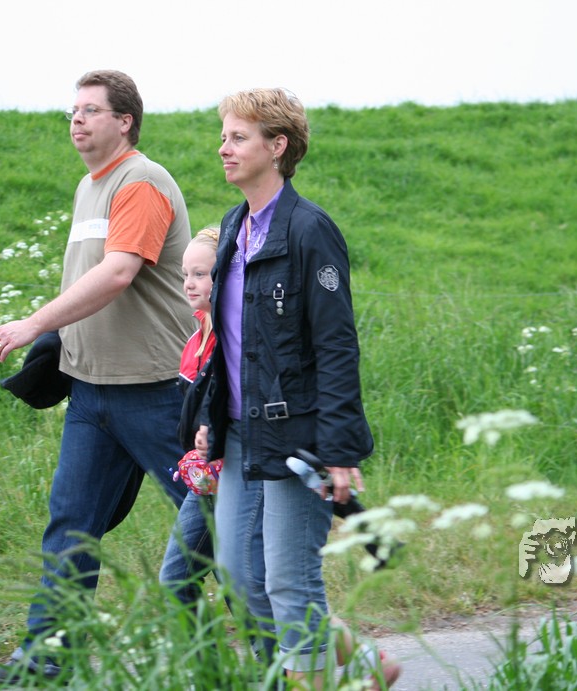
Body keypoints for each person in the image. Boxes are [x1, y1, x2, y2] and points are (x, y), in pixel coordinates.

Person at [0, 69, 203, 684]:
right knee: (71, 528)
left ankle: (282, 648)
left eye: (91, 110)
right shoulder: (89, 187)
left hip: (156, 392)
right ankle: (47, 661)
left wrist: (31, 325)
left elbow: (118, 273)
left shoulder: (141, 182)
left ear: (124, 121)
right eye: (72, 111)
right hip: (91, 394)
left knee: (215, 521)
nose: (76, 120)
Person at [207, 87, 401, 689]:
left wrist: (339, 449)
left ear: (278, 146)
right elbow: (227, 340)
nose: (224, 148)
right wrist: (208, 418)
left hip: (296, 435)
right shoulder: (233, 226)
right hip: (239, 432)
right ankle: (363, 665)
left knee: (290, 581)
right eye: (223, 136)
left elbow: (337, 346)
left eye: (239, 137)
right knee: (240, 576)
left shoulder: (311, 230)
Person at [158, 226, 220, 604]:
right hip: (207, 481)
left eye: (200, 274)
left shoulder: (236, 337)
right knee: (178, 580)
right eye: (185, 274)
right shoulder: (195, 340)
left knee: (254, 584)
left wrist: (214, 429)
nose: (189, 283)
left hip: (238, 477)